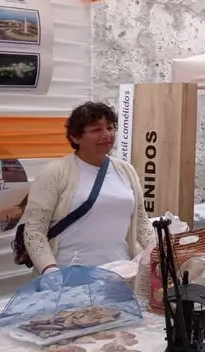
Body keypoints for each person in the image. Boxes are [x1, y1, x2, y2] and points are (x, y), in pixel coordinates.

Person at [21, 102, 155, 276]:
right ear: (76, 137)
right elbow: (34, 229)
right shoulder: (54, 173)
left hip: (121, 275)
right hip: (68, 277)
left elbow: (141, 221)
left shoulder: (126, 170)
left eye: (110, 127)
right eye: (96, 130)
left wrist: (157, 251)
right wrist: (49, 270)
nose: (107, 134)